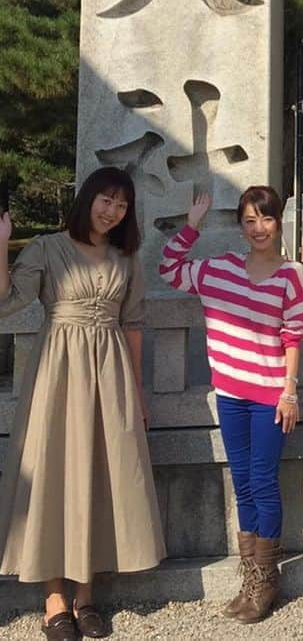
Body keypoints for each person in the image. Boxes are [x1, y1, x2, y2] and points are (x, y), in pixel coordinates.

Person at [0, 168, 165, 641]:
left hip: (110, 376)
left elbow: (132, 324)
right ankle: (54, 601)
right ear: (88, 197)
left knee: (99, 474)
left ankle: (86, 596)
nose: (112, 211)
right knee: (54, 475)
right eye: (106, 200)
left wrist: (136, 392)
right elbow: (7, 300)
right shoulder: (47, 247)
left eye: (122, 205)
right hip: (58, 374)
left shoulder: (125, 257)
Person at [158, 184, 303, 622]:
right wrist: (192, 225)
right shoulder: (218, 270)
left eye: (266, 218)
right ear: (240, 226)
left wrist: (290, 389)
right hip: (230, 393)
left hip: (270, 397)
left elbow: (293, 335)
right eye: (249, 219)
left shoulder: (291, 274)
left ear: (279, 221)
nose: (258, 227)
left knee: (263, 481)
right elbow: (169, 268)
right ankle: (250, 578)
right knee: (242, 483)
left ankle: (266, 579)